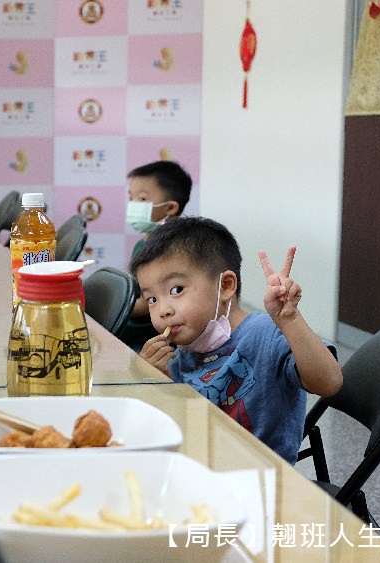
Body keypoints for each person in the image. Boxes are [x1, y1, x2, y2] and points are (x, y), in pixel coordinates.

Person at [131, 216, 342, 463]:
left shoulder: (265, 333)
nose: (162, 310)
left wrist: (290, 321)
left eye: (176, 290)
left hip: (260, 477)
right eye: (152, 299)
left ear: (227, 286)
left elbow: (329, 383)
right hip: (200, 463)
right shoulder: (183, 351)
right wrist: (151, 377)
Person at [119, 160, 193, 350]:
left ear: (170, 208)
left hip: (148, 331)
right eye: (131, 198)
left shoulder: (172, 249)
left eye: (142, 199)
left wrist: (113, 307)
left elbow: (147, 305)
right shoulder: (143, 243)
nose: (134, 205)